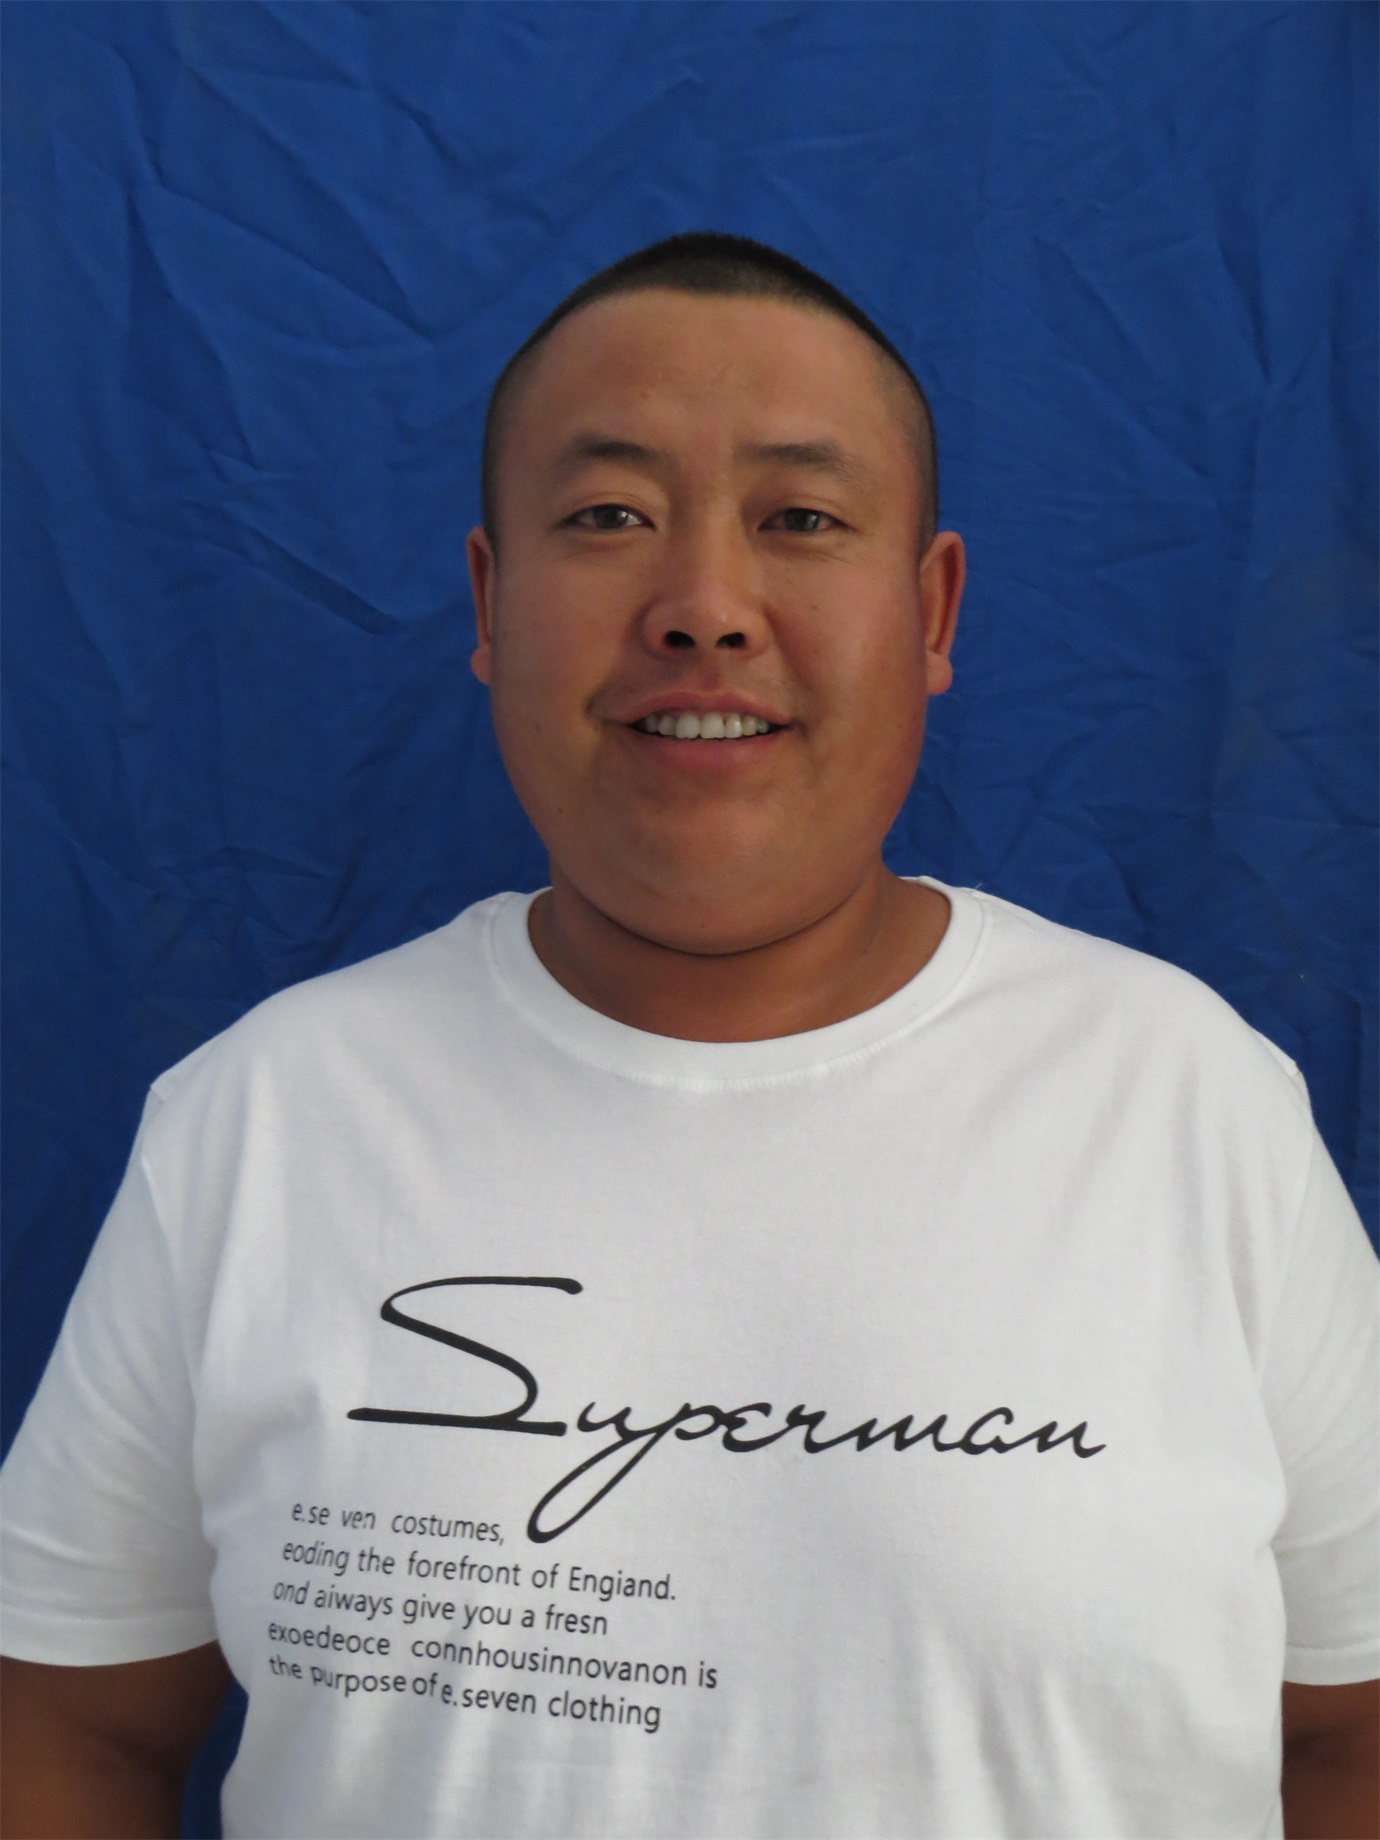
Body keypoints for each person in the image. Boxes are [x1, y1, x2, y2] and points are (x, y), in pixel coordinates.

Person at [1, 232, 1375, 1840]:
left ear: (931, 608)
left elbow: (1350, 1733)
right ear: (491, 599)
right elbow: (67, 1721)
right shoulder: (262, 1117)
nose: (706, 608)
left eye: (801, 519)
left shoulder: (1189, 1102)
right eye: (608, 517)